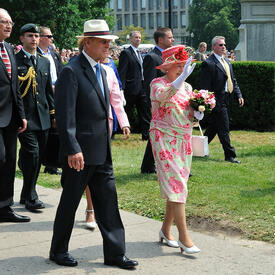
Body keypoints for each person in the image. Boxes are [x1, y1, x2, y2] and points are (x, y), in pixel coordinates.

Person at [50, 19, 138, 269]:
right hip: (79, 152)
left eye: (109, 43)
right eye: (103, 42)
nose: (108, 47)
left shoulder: (104, 68)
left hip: (102, 150)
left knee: (109, 203)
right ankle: (58, 251)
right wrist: (72, 148)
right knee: (70, 203)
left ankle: (115, 254)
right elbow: (65, 115)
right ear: (87, 42)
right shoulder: (71, 70)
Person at [150, 45, 202, 254]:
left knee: (177, 186)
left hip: (184, 139)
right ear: (167, 67)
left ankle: (165, 230)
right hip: (164, 138)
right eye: (178, 65)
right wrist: (180, 80)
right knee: (177, 186)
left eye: (184, 66)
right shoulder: (157, 83)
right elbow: (164, 96)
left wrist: (198, 114)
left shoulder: (188, 88)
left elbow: (187, 113)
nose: (182, 69)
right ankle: (184, 237)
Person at [16, 24, 55, 211]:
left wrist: (53, 114)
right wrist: (19, 116)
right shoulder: (15, 61)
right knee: (32, 153)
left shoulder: (44, 61)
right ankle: (32, 196)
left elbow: (48, 92)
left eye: (36, 36)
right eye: (30, 35)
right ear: (22, 39)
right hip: (24, 118)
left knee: (37, 157)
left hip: (43, 117)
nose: (34, 39)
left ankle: (25, 193)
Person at [0, 8, 29, 223]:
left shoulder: (9, 50)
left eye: (10, 22)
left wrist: (22, 115)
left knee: (10, 160)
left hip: (10, 118)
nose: (9, 25)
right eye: (3, 22)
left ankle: (5, 207)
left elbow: (15, 87)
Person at [200, 36, 244, 163]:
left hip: (227, 98)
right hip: (216, 100)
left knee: (214, 126)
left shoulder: (227, 62)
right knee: (224, 127)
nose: (223, 47)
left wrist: (239, 95)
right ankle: (230, 155)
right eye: (220, 45)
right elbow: (205, 86)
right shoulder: (208, 63)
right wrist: (208, 101)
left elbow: (233, 81)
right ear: (213, 47)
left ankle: (197, 149)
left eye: (224, 45)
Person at [141, 27, 174, 174]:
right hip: (157, 103)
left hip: (169, 102)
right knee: (158, 134)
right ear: (160, 40)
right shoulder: (152, 57)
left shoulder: (170, 57)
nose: (172, 40)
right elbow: (149, 83)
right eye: (170, 37)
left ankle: (149, 166)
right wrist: (150, 105)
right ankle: (150, 165)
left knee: (161, 134)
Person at [38, 26, 63, 175]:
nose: (52, 38)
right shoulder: (36, 55)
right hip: (42, 97)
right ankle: (27, 160)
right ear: (41, 37)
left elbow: (60, 73)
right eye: (49, 36)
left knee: (55, 129)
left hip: (56, 95)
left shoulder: (54, 55)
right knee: (41, 130)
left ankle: (51, 164)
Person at [118, 31, 150, 140]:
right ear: (131, 39)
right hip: (131, 89)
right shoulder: (126, 53)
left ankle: (146, 135)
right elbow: (122, 71)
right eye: (136, 37)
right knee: (127, 111)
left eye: (140, 38)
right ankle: (122, 131)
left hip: (141, 87)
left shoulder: (139, 52)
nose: (138, 39)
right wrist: (121, 88)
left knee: (145, 112)